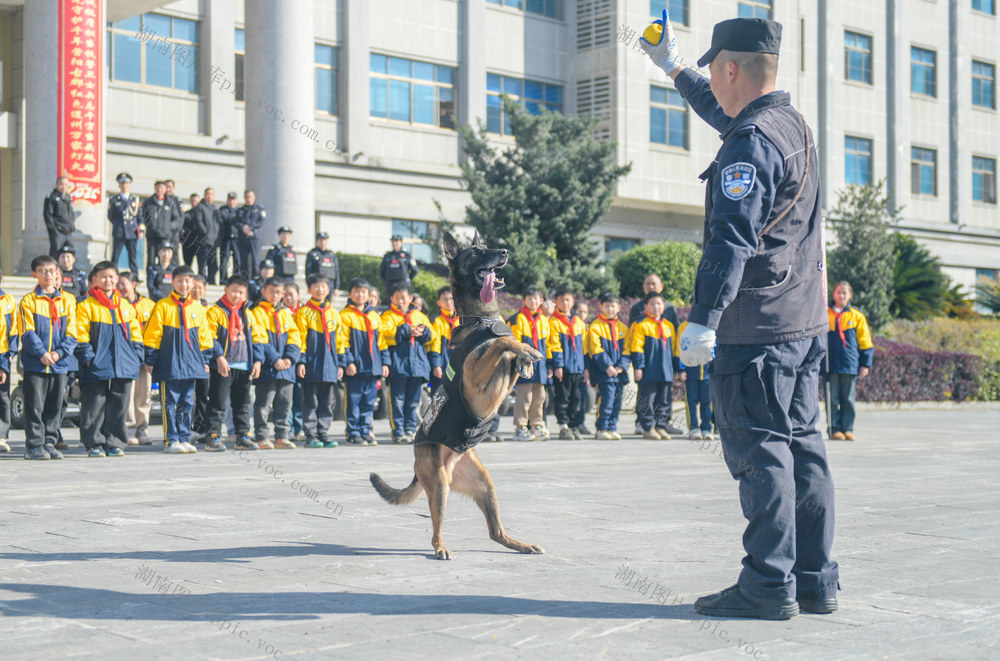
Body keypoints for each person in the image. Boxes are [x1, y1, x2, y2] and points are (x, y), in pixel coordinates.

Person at [643, 13, 836, 618]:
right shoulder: (790, 125)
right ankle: (813, 580)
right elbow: (726, 115)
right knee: (804, 448)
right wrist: (673, 67)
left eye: (711, 72)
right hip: (803, 325)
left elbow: (731, 238)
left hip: (757, 332)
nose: (713, 84)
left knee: (761, 452)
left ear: (730, 68)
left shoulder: (751, 143)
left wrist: (703, 316)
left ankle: (765, 585)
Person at [142, 265, 214, 454]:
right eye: (180, 280)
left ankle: (184, 437)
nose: (184, 284)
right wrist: (151, 358)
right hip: (170, 363)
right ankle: (171, 440)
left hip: (191, 364)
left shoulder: (198, 308)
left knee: (187, 402)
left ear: (193, 283)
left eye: (188, 281)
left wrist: (205, 360)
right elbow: (152, 335)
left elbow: (205, 337)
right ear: (173, 282)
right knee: (170, 402)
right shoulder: (163, 306)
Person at [75, 262, 143, 458]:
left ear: (117, 279)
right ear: (94, 280)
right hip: (96, 364)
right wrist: (87, 357)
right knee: (94, 405)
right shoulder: (87, 305)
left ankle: (115, 442)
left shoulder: (125, 305)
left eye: (111, 277)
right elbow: (81, 334)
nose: (108, 280)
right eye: (103, 277)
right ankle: (94, 443)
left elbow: (136, 332)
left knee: (119, 404)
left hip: (124, 363)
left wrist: (137, 354)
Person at [19, 255, 78, 460]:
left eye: (51, 271)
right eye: (42, 271)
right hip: (36, 363)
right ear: (34, 274)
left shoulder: (68, 301)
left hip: (59, 364)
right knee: (34, 405)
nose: (48, 275)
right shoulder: (29, 301)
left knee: (54, 404)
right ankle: (34, 445)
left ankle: (50, 442)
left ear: (57, 273)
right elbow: (27, 332)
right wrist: (42, 353)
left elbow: (72, 332)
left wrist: (59, 353)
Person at [205, 275, 265, 451]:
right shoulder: (215, 311)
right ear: (226, 290)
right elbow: (210, 337)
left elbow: (257, 338)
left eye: (241, 292)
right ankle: (213, 437)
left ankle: (243, 435)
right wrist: (219, 356)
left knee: (243, 404)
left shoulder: (248, 313)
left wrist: (258, 361)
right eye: (234, 291)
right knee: (218, 402)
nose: (237, 295)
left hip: (244, 365)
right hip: (223, 365)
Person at [380, 281, 439, 444]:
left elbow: (432, 337)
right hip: (398, 366)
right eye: (397, 298)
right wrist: (407, 330)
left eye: (403, 298)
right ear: (391, 298)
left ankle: (410, 429)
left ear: (410, 298)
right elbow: (386, 335)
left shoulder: (419, 316)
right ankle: (398, 431)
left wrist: (423, 331)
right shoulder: (387, 316)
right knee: (397, 400)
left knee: (413, 401)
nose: (400, 301)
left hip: (417, 367)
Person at [628, 274, 684, 436]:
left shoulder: (668, 326)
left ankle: (661, 425)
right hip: (649, 369)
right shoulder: (640, 324)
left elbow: (675, 348)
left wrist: (677, 367)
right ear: (646, 306)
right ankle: (647, 426)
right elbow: (636, 346)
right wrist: (638, 366)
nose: (657, 307)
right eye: (652, 304)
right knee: (647, 399)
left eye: (659, 304)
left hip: (665, 369)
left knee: (664, 399)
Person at [252, 277, 302, 450]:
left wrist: (290, 358)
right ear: (263, 291)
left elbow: (296, 337)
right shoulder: (257, 312)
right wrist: (275, 360)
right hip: (268, 367)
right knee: (263, 403)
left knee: (285, 403)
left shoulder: (286, 313)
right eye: (271, 291)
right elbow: (259, 338)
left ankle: (282, 436)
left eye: (279, 292)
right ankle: (262, 436)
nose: (275, 295)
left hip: (287, 368)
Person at [296, 274, 345, 448]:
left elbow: (340, 340)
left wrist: (341, 363)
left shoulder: (333, 313)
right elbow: (300, 339)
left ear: (329, 289)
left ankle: (323, 433)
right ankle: (311, 435)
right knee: (311, 401)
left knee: (327, 401)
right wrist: (301, 361)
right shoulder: (304, 312)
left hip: (330, 364)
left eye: (323, 286)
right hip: (312, 364)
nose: (320, 289)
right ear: (309, 289)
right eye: (316, 286)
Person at [340, 277, 388, 446]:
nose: (360, 295)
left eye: (364, 292)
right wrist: (348, 362)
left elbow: (381, 342)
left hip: (373, 367)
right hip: (355, 368)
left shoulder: (374, 315)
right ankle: (353, 432)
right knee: (353, 401)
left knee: (368, 402)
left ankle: (365, 430)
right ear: (350, 294)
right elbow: (342, 342)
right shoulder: (345, 315)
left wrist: (384, 363)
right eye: (357, 291)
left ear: (369, 295)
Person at [508, 287, 560, 441]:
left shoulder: (544, 320)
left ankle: (537, 424)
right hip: (524, 364)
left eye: (536, 298)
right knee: (524, 397)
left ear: (541, 301)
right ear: (523, 301)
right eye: (529, 298)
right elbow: (515, 344)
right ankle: (521, 426)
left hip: (541, 366)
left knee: (540, 397)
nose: (533, 301)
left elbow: (549, 344)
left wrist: (550, 364)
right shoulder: (517, 319)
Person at [825, 281, 872, 441]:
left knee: (848, 398)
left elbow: (865, 341)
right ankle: (834, 428)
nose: (841, 295)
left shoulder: (856, 316)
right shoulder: (825, 313)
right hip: (830, 364)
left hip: (850, 364)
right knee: (833, 398)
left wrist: (865, 364)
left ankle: (848, 428)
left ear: (850, 295)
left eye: (845, 293)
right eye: (838, 292)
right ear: (834, 294)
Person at [117, 271, 155, 445]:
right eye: (118, 284)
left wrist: (151, 358)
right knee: (128, 395)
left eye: (123, 283)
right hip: (125, 358)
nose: (120, 287)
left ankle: (142, 429)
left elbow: (154, 333)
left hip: (144, 359)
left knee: (143, 395)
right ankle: (129, 429)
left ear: (133, 284)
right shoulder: (116, 305)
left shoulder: (149, 305)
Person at [585, 293, 629, 440]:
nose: (610, 309)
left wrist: (621, 366)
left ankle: (612, 427)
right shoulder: (595, 326)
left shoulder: (623, 327)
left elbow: (627, 349)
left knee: (617, 401)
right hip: (603, 373)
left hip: (619, 373)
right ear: (601, 307)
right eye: (607, 306)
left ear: (618, 308)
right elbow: (595, 349)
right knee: (606, 400)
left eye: (613, 306)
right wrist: (608, 367)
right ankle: (601, 428)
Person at [547, 288, 587, 440]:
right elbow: (554, 345)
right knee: (563, 397)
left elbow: (584, 346)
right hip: (564, 369)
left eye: (568, 300)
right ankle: (563, 426)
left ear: (573, 302)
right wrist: (558, 366)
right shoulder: (554, 322)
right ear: (556, 302)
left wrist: (586, 367)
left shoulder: (578, 323)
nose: (566, 303)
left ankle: (573, 425)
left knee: (577, 398)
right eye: (562, 300)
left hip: (578, 368)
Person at [678, 317, 713, 441]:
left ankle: (707, 429)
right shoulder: (685, 327)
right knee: (691, 402)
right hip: (691, 372)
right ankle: (693, 428)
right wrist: (682, 369)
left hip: (708, 374)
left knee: (707, 402)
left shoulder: (712, 326)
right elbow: (681, 349)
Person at [107, 173, 143, 276]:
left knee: (133, 255)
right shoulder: (114, 200)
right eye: (122, 183)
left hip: (131, 232)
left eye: (126, 183)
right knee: (115, 255)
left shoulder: (135, 200)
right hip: (119, 231)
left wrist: (141, 230)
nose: (124, 186)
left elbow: (140, 217)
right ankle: (113, 274)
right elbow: (110, 216)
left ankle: (135, 275)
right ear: (119, 185)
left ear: (130, 185)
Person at [283, 282, 305, 440]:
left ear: (299, 295)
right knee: (287, 396)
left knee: (300, 394)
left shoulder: (305, 312)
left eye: (292, 294)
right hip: (287, 359)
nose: (289, 297)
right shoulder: (280, 312)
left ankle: (300, 427)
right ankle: (289, 428)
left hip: (302, 359)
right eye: (286, 294)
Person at [0, 271, 17, 453]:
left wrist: (8, 357)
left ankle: (1, 436)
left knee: (2, 397)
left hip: (1, 356)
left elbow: (13, 331)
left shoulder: (8, 301)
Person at [143, 181, 176, 273]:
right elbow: (142, 216)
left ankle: (166, 276)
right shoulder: (148, 202)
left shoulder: (170, 203)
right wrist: (150, 226)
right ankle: (150, 276)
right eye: (157, 188)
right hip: (152, 235)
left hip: (165, 236)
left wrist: (169, 227)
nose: (159, 190)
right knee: (151, 257)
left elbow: (177, 218)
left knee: (166, 257)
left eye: (161, 188)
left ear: (165, 190)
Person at [430, 286, 457, 393]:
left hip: (459, 365)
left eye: (451, 298)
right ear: (439, 302)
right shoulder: (436, 321)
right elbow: (434, 346)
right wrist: (436, 365)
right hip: (443, 364)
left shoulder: (461, 319)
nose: (449, 302)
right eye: (445, 299)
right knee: (439, 398)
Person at [573, 300, 593, 436]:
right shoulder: (571, 326)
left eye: (584, 312)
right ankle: (572, 424)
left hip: (583, 367)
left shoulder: (587, 328)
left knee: (582, 397)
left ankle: (581, 422)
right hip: (572, 367)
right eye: (579, 311)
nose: (582, 314)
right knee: (573, 397)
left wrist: (587, 368)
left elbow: (587, 351)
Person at [191, 188, 221, 283]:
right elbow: (199, 222)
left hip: (214, 241)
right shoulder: (200, 207)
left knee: (213, 264)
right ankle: (202, 281)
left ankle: (212, 281)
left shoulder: (216, 208)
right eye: (207, 194)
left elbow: (219, 224)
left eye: (211, 194)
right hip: (204, 240)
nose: (209, 196)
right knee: (203, 263)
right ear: (204, 195)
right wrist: (205, 233)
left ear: (214, 196)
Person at [237, 189, 266, 278]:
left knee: (255, 260)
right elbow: (237, 221)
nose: (249, 199)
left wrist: (251, 229)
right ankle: (244, 279)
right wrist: (243, 228)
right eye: (247, 197)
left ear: (254, 198)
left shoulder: (259, 209)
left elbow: (261, 221)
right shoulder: (240, 210)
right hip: (243, 238)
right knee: (243, 260)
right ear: (244, 198)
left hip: (255, 237)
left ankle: (255, 279)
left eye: (251, 197)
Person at [44, 177, 75, 258]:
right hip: (58, 232)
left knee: (69, 254)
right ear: (57, 185)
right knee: (56, 254)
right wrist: (54, 230)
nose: (63, 187)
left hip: (68, 232)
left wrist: (72, 228)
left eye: (66, 185)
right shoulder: (51, 197)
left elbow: (71, 214)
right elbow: (48, 215)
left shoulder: (68, 197)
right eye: (61, 184)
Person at [379, 234, 417, 299]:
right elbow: (381, 272)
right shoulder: (387, 256)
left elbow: (415, 270)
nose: (395, 243)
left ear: (401, 242)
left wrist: (407, 279)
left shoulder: (407, 256)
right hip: (391, 284)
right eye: (393, 241)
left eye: (397, 241)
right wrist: (387, 281)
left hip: (403, 283)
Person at [305, 232, 340, 299]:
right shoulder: (312, 254)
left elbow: (336, 271)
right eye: (320, 240)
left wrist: (336, 287)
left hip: (330, 284)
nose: (322, 242)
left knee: (328, 304)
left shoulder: (331, 254)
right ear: (317, 241)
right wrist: (309, 285)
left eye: (324, 240)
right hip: (317, 284)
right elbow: (308, 271)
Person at [217, 192, 242, 279]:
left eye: (233, 200)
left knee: (237, 260)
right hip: (226, 238)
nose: (232, 202)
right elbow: (225, 217)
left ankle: (236, 278)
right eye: (230, 200)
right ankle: (223, 278)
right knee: (224, 259)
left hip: (237, 238)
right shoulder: (222, 209)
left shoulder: (240, 211)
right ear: (227, 200)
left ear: (237, 201)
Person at [163, 179, 184, 260]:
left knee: (174, 254)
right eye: (166, 187)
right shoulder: (162, 200)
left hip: (174, 233)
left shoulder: (177, 200)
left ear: (173, 188)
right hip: (164, 233)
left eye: (170, 187)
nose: (168, 189)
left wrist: (177, 230)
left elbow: (181, 217)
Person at [180, 192, 202, 267]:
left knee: (201, 265)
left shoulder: (203, 214)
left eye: (196, 201)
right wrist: (181, 239)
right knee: (187, 265)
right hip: (188, 243)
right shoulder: (186, 214)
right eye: (192, 201)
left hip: (200, 243)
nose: (194, 203)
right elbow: (180, 227)